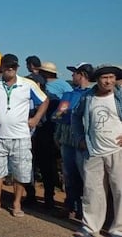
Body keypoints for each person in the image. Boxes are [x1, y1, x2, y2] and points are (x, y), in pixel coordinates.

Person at [0, 54, 49, 218]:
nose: (10, 69)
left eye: (13, 66)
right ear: (1, 66)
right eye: (7, 66)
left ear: (17, 67)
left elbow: (45, 100)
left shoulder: (28, 84)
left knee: (20, 172)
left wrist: (35, 118)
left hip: (21, 136)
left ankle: (16, 204)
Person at [71, 65, 122, 237]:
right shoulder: (88, 97)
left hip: (118, 150)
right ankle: (90, 228)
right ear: (97, 79)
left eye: (111, 77)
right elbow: (75, 117)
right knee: (92, 191)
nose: (108, 81)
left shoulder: (120, 96)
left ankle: (118, 229)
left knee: (120, 191)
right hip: (93, 151)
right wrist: (79, 139)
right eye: (104, 77)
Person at [53, 62, 93, 220]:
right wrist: (58, 134)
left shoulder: (92, 94)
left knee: (86, 175)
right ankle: (70, 205)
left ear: (82, 74)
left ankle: (85, 209)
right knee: (69, 173)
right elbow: (58, 115)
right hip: (67, 138)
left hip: (84, 139)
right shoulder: (69, 94)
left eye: (74, 73)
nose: (72, 76)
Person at [31, 61, 73, 210]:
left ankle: (49, 198)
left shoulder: (54, 98)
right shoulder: (59, 90)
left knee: (47, 167)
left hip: (47, 134)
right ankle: (41, 197)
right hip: (42, 134)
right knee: (40, 166)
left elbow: (63, 111)